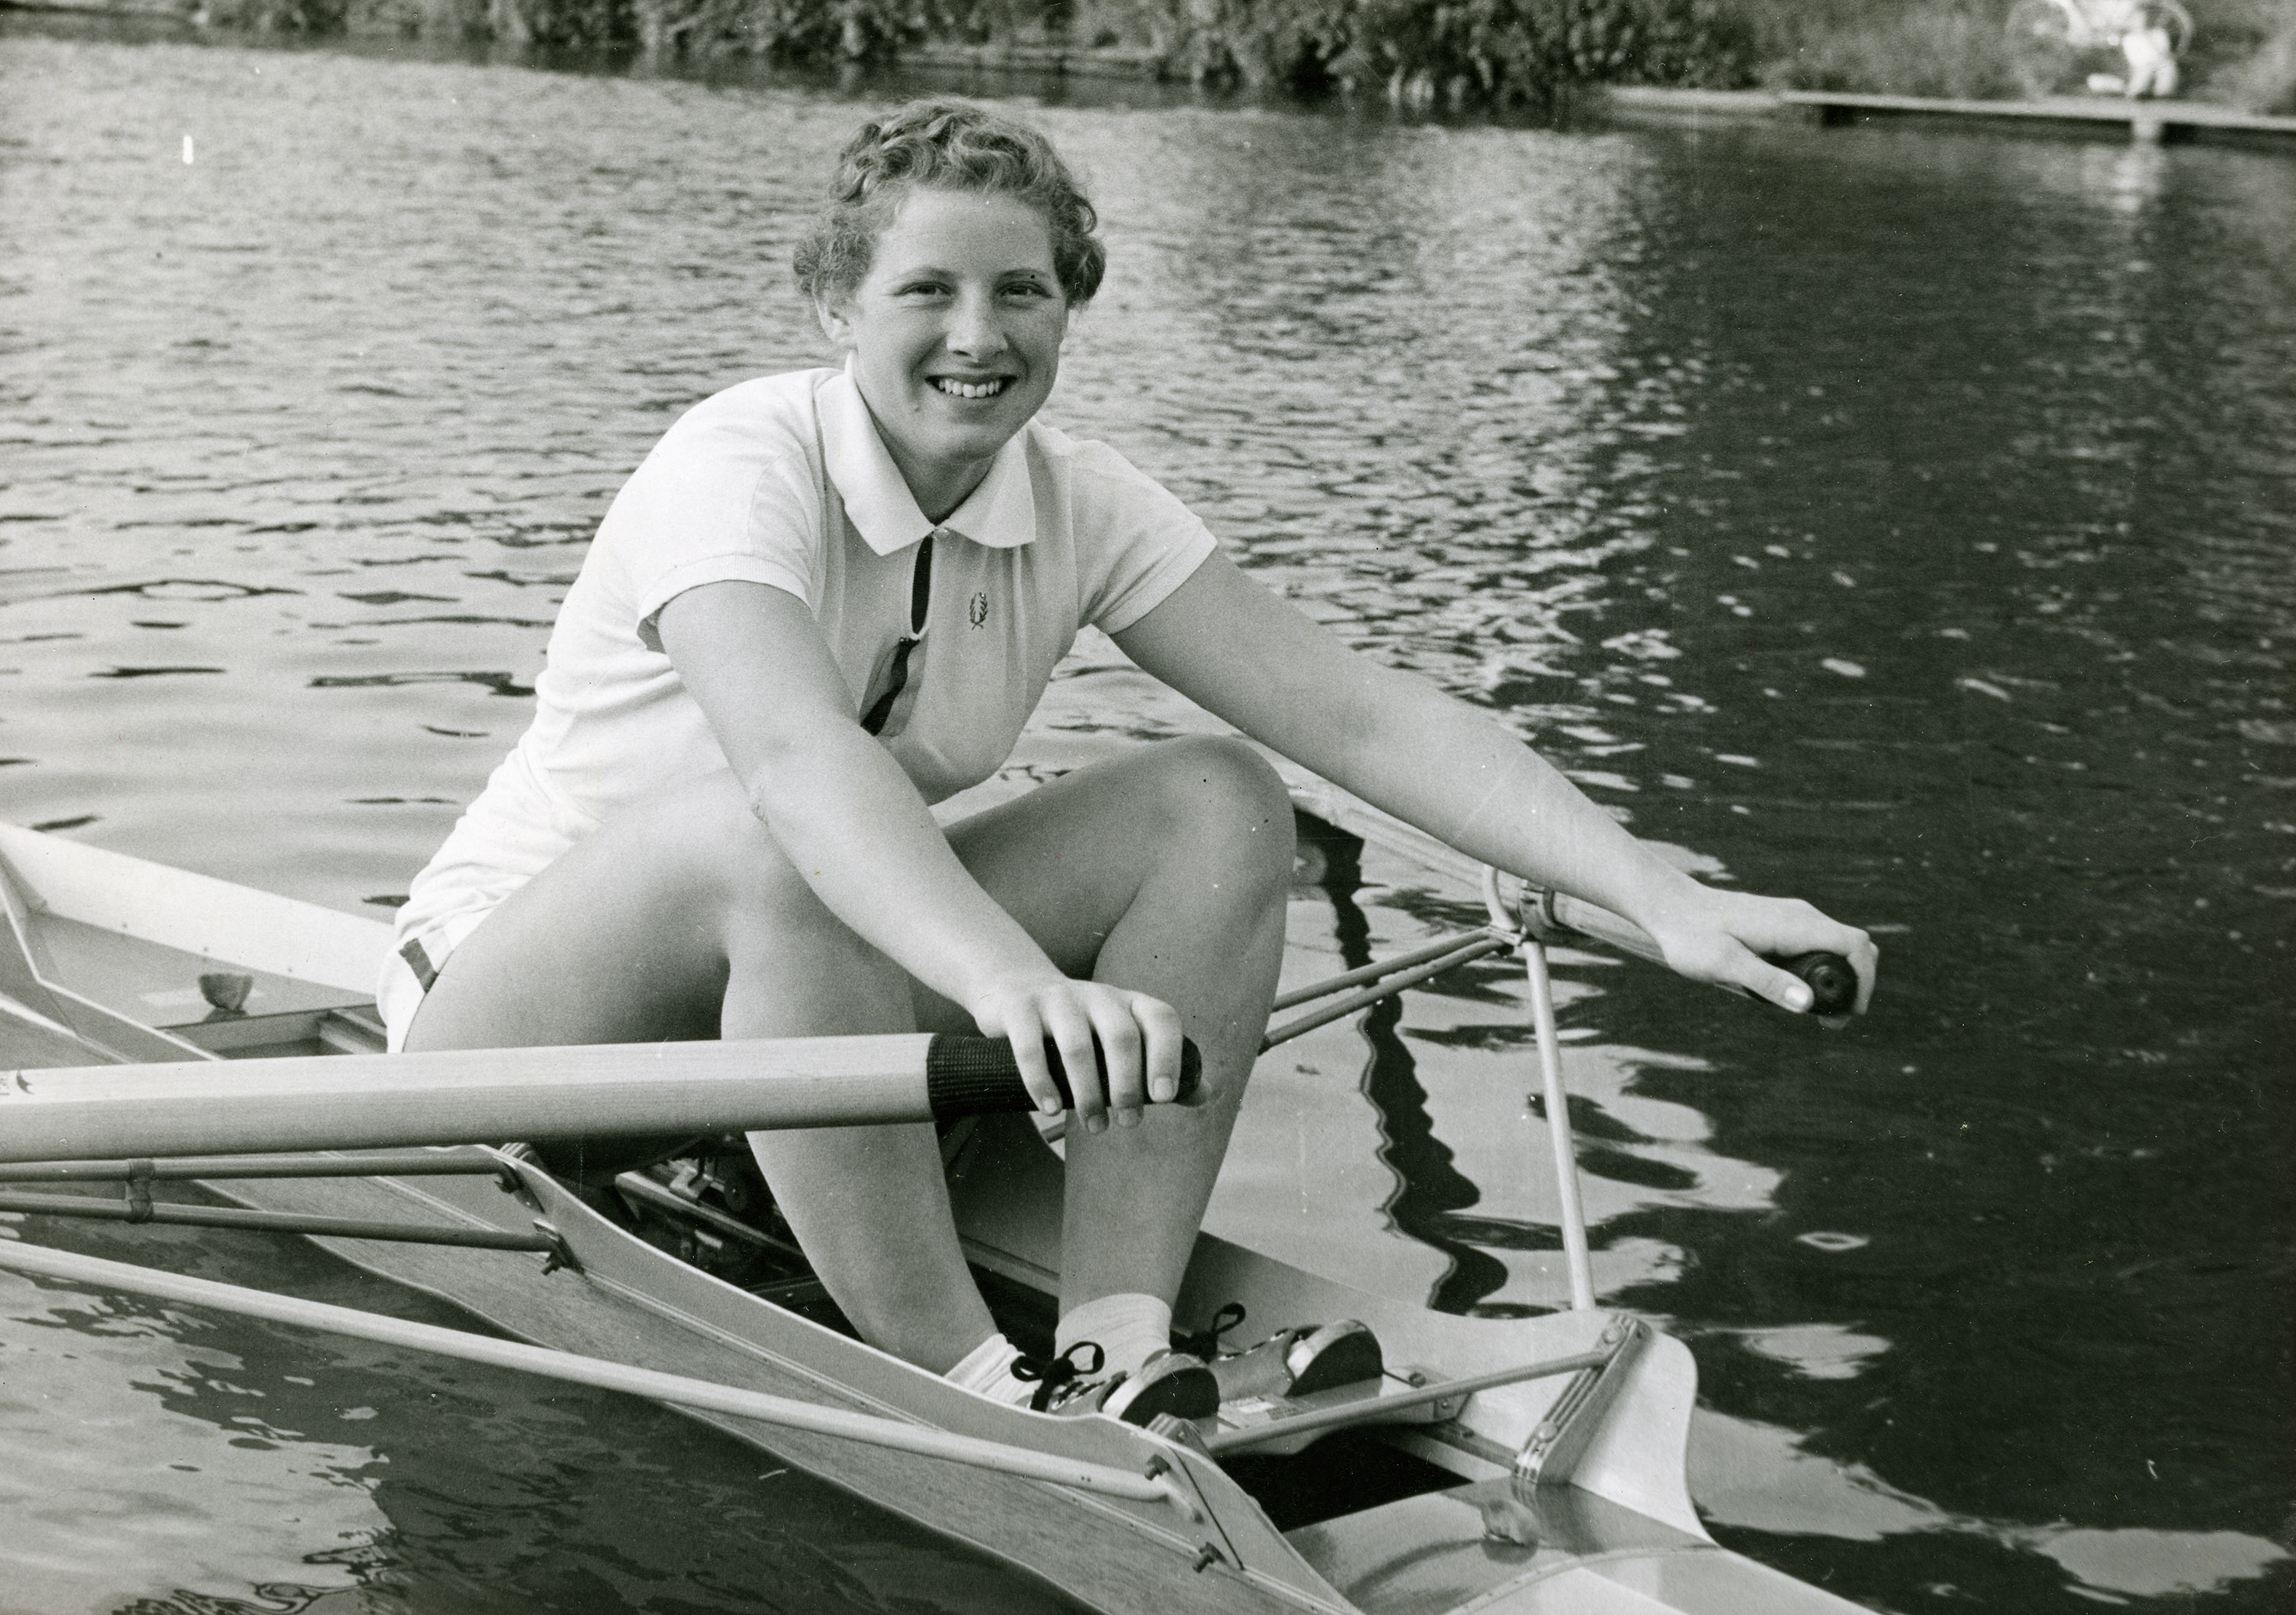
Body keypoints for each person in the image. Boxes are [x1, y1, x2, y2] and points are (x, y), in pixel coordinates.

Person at [380, 98, 1877, 1424]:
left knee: (1218, 800)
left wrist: (1663, 894)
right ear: (836, 302)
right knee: (782, 834)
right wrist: (1011, 982)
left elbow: (1360, 715)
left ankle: (1114, 1339)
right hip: (510, 1025)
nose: (979, 336)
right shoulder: (737, 460)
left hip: (796, 1008)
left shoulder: (1077, 505)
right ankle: (971, 1383)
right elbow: (793, 760)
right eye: (928, 290)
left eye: (1021, 291)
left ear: (1070, 306)